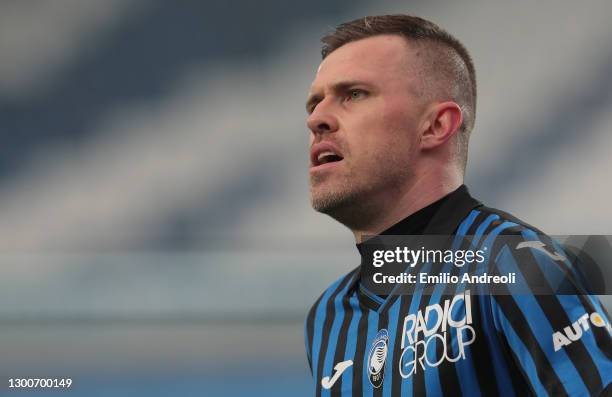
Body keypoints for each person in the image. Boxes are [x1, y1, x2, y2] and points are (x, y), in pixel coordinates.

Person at [304, 14, 611, 396]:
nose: (317, 118)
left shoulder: (513, 265)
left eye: (354, 94)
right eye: (314, 103)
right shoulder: (328, 317)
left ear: (435, 126)